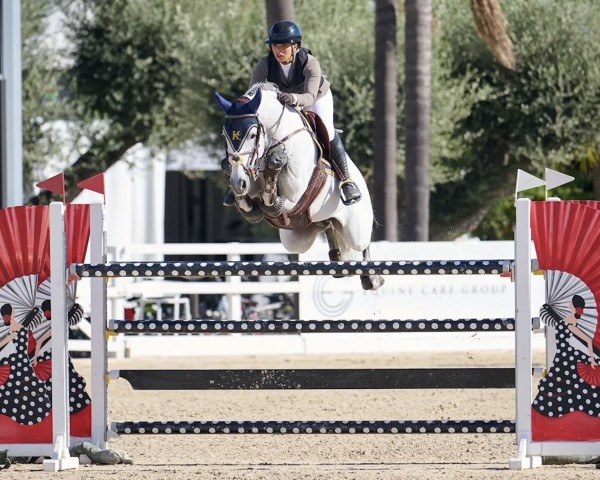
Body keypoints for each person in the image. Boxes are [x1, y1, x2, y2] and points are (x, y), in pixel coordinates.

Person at [223, 20, 361, 208]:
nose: (278, 51)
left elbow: (310, 96)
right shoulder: (265, 64)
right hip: (283, 101)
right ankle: (239, 185)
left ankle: (346, 181)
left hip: (315, 98)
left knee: (326, 129)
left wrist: (295, 100)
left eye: (284, 46)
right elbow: (253, 93)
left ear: (295, 46)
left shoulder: (310, 63)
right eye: (274, 46)